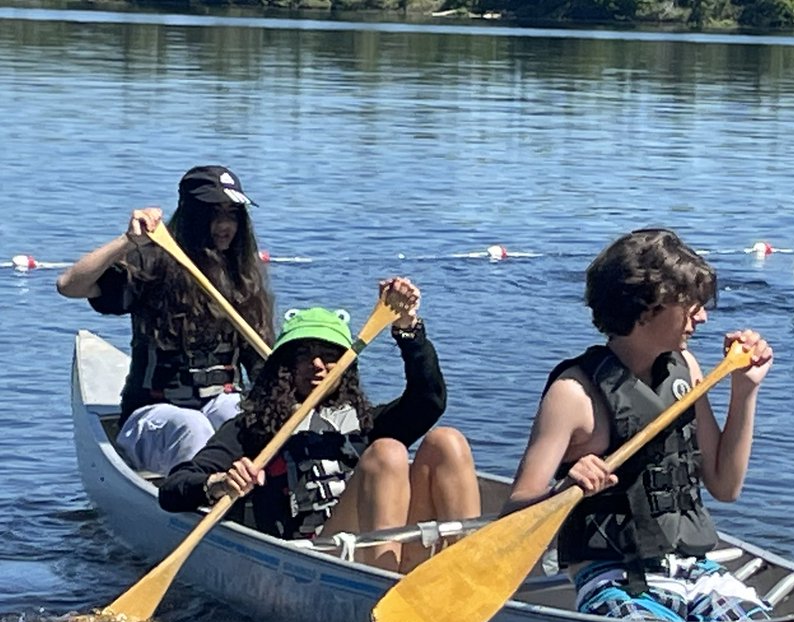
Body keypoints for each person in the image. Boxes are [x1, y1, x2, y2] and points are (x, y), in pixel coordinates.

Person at [504, 228, 774, 622]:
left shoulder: (687, 370)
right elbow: (512, 518)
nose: (702, 316)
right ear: (648, 307)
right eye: (690, 303)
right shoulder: (573, 394)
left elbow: (725, 485)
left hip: (695, 570)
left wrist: (744, 391)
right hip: (612, 575)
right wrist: (565, 488)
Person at [157, 278, 481, 573]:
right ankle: (384, 581)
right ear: (285, 367)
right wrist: (219, 482)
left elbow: (429, 399)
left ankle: (469, 569)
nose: (318, 366)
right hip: (318, 553)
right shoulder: (253, 428)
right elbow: (173, 489)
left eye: (330, 356)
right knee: (388, 452)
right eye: (305, 356)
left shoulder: (365, 423)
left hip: (374, 543)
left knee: (446, 442)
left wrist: (408, 329)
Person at [56, 166, 274, 474]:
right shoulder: (153, 264)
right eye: (215, 214)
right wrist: (127, 242)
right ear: (193, 215)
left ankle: (249, 503)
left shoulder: (242, 277)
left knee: (239, 415)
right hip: (151, 416)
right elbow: (69, 286)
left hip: (217, 403)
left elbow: (262, 367)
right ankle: (192, 494)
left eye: (232, 214)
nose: (225, 226)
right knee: (192, 425)